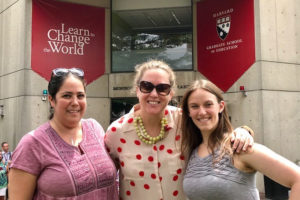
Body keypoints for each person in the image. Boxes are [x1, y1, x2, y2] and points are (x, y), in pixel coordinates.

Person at [105, 60, 254, 200]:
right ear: (137, 90)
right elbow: (104, 179)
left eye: (162, 88)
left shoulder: (186, 121)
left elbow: (216, 132)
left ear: (171, 94)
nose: (154, 94)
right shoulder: (116, 132)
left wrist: (242, 131)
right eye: (147, 86)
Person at [9, 68, 118, 200]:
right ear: (51, 100)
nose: (75, 102)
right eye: (67, 95)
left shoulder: (95, 128)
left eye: (80, 95)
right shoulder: (32, 143)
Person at [181, 79, 300, 200]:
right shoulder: (192, 152)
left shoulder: (239, 147)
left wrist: (243, 131)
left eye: (208, 104)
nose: (202, 112)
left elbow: (298, 179)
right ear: (188, 112)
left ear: (221, 106)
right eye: (194, 106)